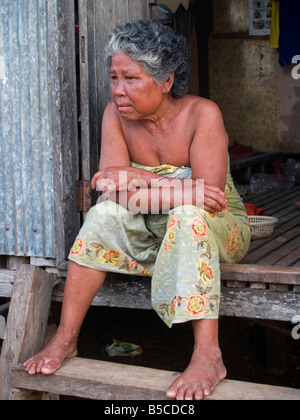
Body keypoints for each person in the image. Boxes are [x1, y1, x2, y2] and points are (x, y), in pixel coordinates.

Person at [24, 20, 251, 400]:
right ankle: (65, 338)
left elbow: (208, 199)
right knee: (103, 214)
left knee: (189, 216)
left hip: (217, 227)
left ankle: (208, 354)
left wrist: (137, 177)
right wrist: (179, 188)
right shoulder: (116, 115)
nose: (118, 90)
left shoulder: (202, 115)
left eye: (130, 78)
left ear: (165, 81)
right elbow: (116, 196)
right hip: (148, 226)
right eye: (114, 77)